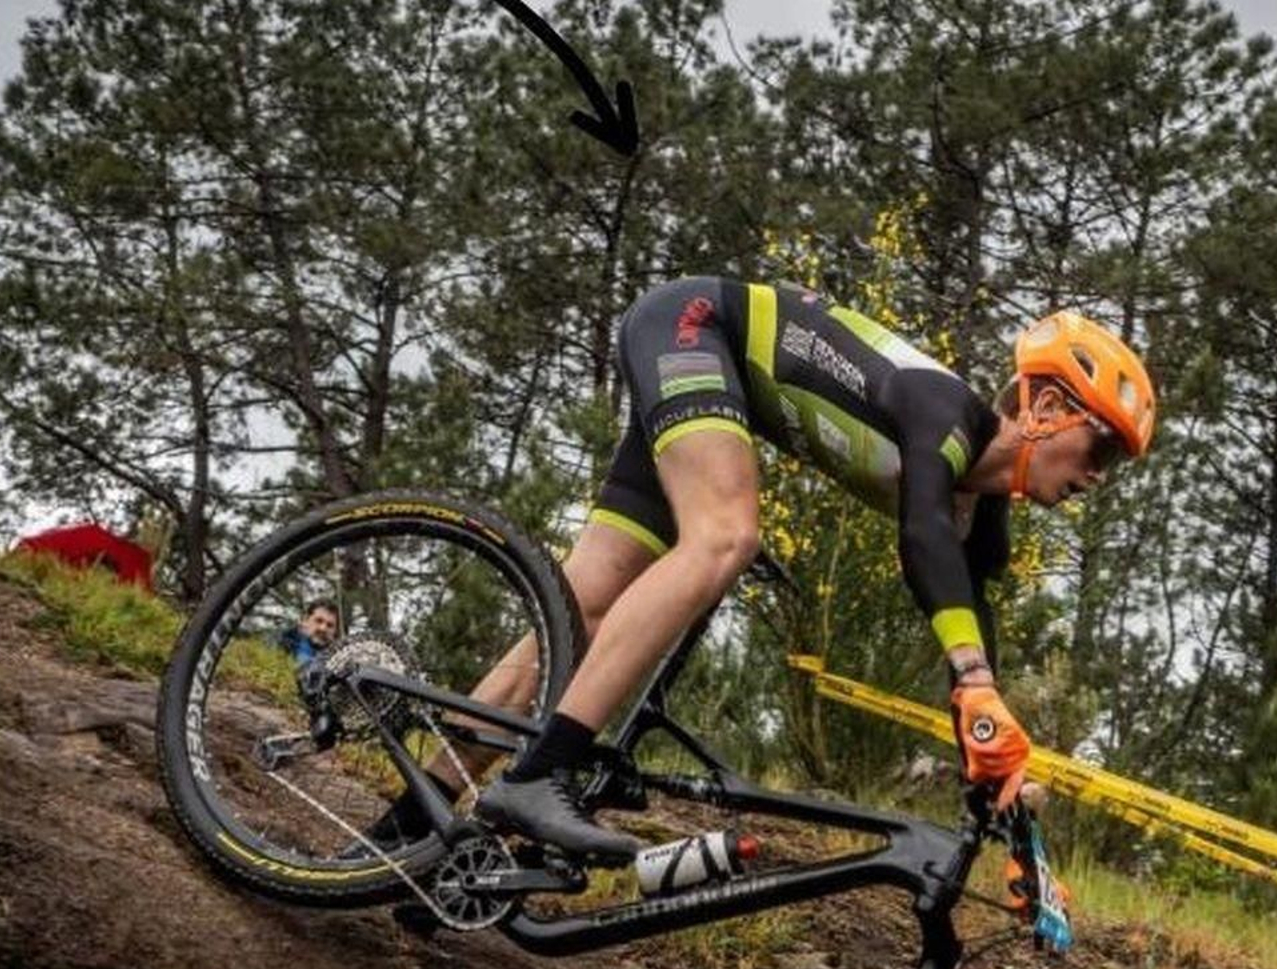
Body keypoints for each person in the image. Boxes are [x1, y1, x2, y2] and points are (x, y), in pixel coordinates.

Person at [353, 277, 1155, 862]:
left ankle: (404, 828)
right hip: (696, 327)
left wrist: (1000, 776)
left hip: (711, 375)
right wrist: (973, 677)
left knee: (581, 607)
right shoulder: (945, 415)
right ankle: (543, 774)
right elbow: (920, 538)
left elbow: (969, 642)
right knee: (724, 535)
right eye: (1103, 447)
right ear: (1048, 411)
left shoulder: (982, 522)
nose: (1098, 476)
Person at [277, 599, 340, 664]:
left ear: (335, 631)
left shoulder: (338, 661)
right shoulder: (278, 646)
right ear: (305, 620)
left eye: (330, 625)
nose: (323, 628)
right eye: (318, 621)